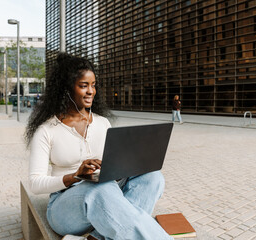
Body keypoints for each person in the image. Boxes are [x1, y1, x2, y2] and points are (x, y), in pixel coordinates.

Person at [25, 53, 172, 240]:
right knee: (98, 189)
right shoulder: (47, 130)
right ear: (66, 88)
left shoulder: (102, 123)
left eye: (93, 85)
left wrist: (124, 168)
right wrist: (75, 176)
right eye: (83, 86)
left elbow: (111, 167)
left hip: (105, 193)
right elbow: (35, 184)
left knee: (153, 177)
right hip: (65, 205)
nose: (91, 91)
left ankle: (95, 238)